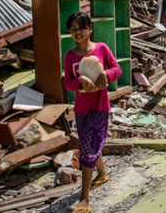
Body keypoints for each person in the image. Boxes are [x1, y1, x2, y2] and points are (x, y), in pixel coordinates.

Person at [62, 12, 121, 213]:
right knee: (92, 142)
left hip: (99, 106)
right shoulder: (70, 56)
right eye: (73, 29)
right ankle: (102, 173)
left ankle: (84, 198)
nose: (77, 32)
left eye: (81, 28)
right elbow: (67, 82)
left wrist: (106, 74)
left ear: (90, 29)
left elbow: (117, 69)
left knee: (87, 148)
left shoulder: (101, 49)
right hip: (81, 108)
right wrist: (78, 81)